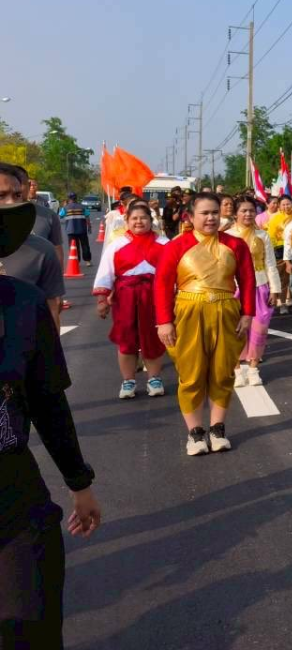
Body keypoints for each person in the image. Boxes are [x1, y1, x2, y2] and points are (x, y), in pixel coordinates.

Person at [0, 201, 101, 648]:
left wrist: (80, 484)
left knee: (30, 623)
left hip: (12, 492)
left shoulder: (22, 304)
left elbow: (47, 402)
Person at [153, 192, 256, 456]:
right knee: (191, 374)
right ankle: (195, 434)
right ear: (190, 216)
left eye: (214, 212)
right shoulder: (176, 246)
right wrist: (164, 322)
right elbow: (163, 285)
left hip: (226, 312)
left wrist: (247, 314)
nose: (211, 218)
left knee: (223, 372)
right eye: (204, 213)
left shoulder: (236, 245)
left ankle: (217, 429)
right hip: (188, 313)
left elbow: (247, 281)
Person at [92, 200, 171, 400]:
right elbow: (105, 273)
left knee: (152, 338)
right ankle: (128, 381)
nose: (139, 222)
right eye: (134, 218)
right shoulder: (116, 245)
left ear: (150, 220)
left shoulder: (165, 243)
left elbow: (174, 274)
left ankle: (154, 378)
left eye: (143, 217)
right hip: (125, 298)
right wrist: (102, 300)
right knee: (126, 340)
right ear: (126, 220)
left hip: (155, 298)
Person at [0, 164, 66, 330]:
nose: (12, 202)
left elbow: (51, 312)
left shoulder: (43, 249)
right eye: (1, 195)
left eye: (17, 195)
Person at [229, 198, 282, 388]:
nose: (248, 214)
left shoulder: (262, 235)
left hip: (260, 286)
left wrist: (275, 289)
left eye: (251, 210)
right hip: (233, 288)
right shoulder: (226, 235)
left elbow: (270, 263)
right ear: (235, 213)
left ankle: (253, 369)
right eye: (243, 211)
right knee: (234, 330)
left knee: (259, 330)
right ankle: (236, 370)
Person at [61, 192, 92, 267]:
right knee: (85, 245)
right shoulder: (82, 207)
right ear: (76, 198)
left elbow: (60, 216)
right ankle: (88, 261)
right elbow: (87, 217)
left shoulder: (65, 208)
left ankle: (76, 261)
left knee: (74, 247)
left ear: (68, 199)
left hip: (70, 231)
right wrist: (89, 227)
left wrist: (64, 206)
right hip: (82, 230)